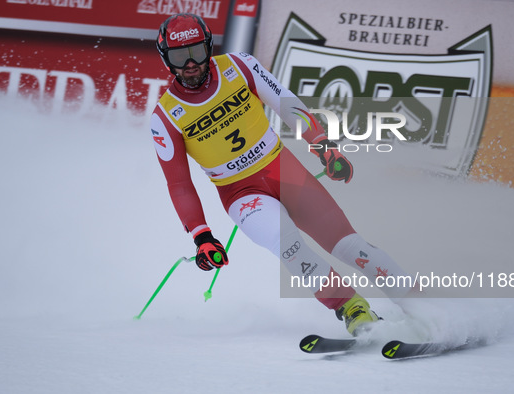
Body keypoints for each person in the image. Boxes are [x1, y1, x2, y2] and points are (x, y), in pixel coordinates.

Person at [150, 13, 415, 336]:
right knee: (290, 247)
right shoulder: (164, 117)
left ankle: (418, 302)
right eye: (180, 56)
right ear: (167, 60)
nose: (190, 63)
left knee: (349, 245)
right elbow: (179, 184)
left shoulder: (240, 65)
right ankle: (353, 310)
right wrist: (202, 236)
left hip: (283, 170)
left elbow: (285, 103)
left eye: (197, 53)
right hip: (240, 194)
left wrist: (322, 145)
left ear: (209, 47)